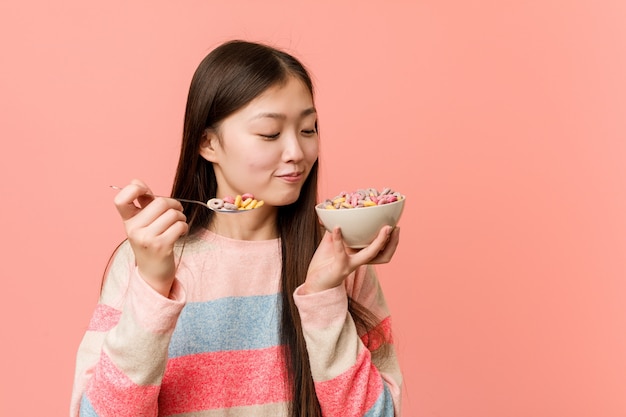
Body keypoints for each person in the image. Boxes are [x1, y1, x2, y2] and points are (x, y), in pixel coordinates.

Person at [70, 39, 403, 417]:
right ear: (208, 143)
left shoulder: (335, 260)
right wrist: (152, 291)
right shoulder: (146, 260)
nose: (296, 151)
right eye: (270, 134)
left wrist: (323, 296)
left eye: (308, 129)